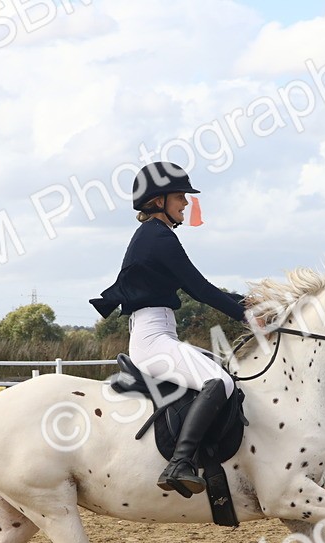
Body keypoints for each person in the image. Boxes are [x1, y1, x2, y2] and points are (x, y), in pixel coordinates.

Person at [90, 161, 249, 498]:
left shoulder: (156, 236)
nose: (186, 203)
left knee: (219, 373)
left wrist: (250, 301)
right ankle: (179, 463)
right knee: (218, 381)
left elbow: (199, 286)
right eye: (180, 197)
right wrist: (246, 315)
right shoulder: (157, 237)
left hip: (159, 331)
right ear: (158, 200)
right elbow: (200, 289)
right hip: (152, 337)